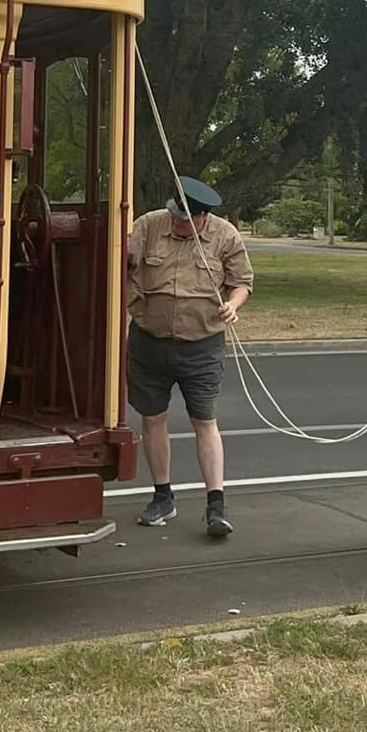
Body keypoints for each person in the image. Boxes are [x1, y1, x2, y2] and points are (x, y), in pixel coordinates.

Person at [127, 175, 253, 537]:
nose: (175, 222)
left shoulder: (225, 235)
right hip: (148, 341)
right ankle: (162, 498)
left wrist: (233, 305)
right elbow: (123, 261)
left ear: (202, 218)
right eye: (173, 214)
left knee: (204, 421)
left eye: (183, 219)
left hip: (202, 345)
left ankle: (216, 507)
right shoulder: (149, 225)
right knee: (153, 419)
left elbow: (242, 282)